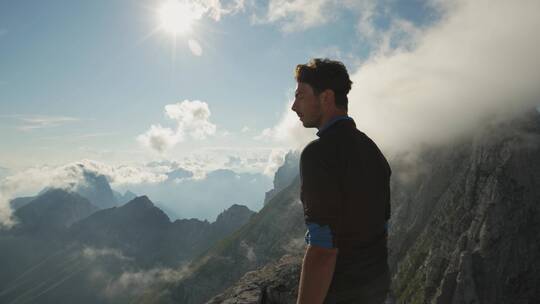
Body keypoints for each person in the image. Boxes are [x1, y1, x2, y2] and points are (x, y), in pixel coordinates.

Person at [292, 58, 392, 304]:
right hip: (376, 288)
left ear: (325, 97)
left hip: (342, 293)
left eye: (300, 96)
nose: (294, 106)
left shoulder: (318, 154)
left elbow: (323, 249)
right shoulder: (372, 148)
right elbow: (380, 228)